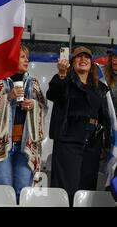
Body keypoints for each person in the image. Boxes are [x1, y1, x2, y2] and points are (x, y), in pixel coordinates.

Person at [0, 45, 47, 201]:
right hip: (2, 146)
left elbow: (43, 109)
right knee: (3, 188)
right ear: (12, 59)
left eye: (27, 57)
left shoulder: (33, 82)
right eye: (22, 57)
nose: (27, 60)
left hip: (26, 147)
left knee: (23, 190)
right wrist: (7, 97)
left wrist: (34, 106)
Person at [47, 46, 111, 204]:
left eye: (87, 57)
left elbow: (106, 118)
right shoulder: (63, 80)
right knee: (67, 189)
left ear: (91, 63)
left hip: (92, 145)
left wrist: (105, 144)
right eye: (78, 57)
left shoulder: (101, 88)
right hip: (68, 142)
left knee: (86, 190)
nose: (83, 60)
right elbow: (53, 94)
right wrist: (62, 74)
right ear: (72, 62)